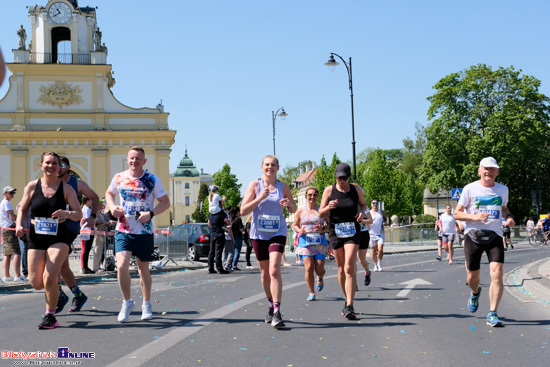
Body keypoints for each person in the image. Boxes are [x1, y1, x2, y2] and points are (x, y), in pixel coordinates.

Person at [16, 152, 82, 329]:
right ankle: (57, 292)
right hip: (36, 238)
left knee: (49, 276)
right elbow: (22, 210)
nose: (51, 166)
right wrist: (18, 225)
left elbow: (79, 214)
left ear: (60, 167)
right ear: (41, 165)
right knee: (36, 283)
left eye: (55, 163)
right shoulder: (32, 186)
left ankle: (50, 316)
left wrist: (67, 213)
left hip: (59, 237)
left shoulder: (66, 188)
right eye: (47, 162)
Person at [105, 146, 170, 322]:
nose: (134, 161)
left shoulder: (151, 179)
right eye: (132, 158)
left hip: (144, 231)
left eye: (138, 159)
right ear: (127, 159)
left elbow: (165, 202)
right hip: (123, 229)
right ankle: (127, 303)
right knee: (122, 265)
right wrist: (112, 208)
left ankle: (146, 304)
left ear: (144, 161)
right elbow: (109, 194)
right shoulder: (119, 177)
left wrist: (151, 213)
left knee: (143, 270)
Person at [454, 157, 515, 327]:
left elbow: (504, 209)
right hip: (473, 236)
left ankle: (493, 313)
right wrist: (475, 217)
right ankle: (475, 292)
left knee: (497, 273)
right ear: (479, 171)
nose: (488, 171)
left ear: (497, 172)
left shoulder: (503, 190)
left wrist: (509, 218)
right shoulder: (470, 189)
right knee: (473, 277)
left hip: (495, 235)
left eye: (492, 169)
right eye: (485, 169)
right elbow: (457, 214)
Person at [241, 155, 297, 329]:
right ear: (261, 167)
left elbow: (295, 209)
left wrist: (289, 203)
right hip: (259, 234)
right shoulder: (255, 185)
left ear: (278, 168)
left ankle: (277, 312)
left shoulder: (283, 186)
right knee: (264, 274)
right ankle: (271, 304)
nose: (270, 168)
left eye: (273, 165)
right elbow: (243, 211)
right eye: (267, 165)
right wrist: (259, 198)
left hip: (277, 232)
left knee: (274, 270)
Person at [319, 163, 367, 320]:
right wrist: (328, 207)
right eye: (339, 178)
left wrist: (361, 212)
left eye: (344, 178)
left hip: (352, 230)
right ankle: (346, 298)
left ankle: (350, 305)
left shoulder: (355, 190)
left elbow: (363, 204)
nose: (341, 181)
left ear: (348, 177)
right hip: (335, 231)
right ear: (336, 177)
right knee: (341, 270)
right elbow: (320, 212)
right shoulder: (329, 190)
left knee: (348, 267)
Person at [55, 156, 98, 314]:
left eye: (62, 165)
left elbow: (94, 197)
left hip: (69, 229)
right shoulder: (49, 183)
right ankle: (77, 295)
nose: (59, 168)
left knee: (55, 262)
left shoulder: (76, 183)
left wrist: (93, 216)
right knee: (63, 266)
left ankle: (60, 294)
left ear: (68, 167)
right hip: (52, 229)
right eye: (57, 165)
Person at [291, 186, 330, 301]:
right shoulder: (301, 210)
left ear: (318, 197)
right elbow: (294, 225)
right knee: (308, 267)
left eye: (314, 195)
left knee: (319, 269)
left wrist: (323, 227)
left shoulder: (321, 210)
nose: (312, 197)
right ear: (306, 197)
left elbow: (329, 225)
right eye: (309, 195)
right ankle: (311, 292)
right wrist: (299, 230)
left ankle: (320, 276)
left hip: (320, 242)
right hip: (305, 242)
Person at [351, 183, 373, 286]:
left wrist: (362, 220)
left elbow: (370, 221)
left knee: (361, 259)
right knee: (352, 259)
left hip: (363, 234)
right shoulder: (349, 205)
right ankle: (354, 283)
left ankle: (367, 271)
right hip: (352, 234)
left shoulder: (364, 207)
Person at [1, 186, 23, 282]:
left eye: (13, 192)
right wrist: (21, 217)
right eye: (10, 193)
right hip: (9, 229)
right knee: (17, 252)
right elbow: (12, 217)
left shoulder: (3, 203)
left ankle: (7, 275)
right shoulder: (7, 203)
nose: (12, 195)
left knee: (7, 253)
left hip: (5, 229)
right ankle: (17, 276)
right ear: (5, 193)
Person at [92, 199, 111, 272]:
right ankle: (95, 267)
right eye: (101, 203)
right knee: (97, 250)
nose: (102, 204)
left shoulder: (100, 213)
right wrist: (106, 223)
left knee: (100, 251)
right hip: (98, 234)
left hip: (102, 234)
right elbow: (96, 224)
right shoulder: (96, 213)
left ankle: (98, 265)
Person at [79, 197, 95, 274]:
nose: (92, 201)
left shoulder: (84, 208)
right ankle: (85, 267)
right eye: (91, 200)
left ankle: (85, 266)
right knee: (86, 249)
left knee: (85, 249)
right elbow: (88, 220)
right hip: (88, 230)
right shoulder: (87, 209)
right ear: (87, 201)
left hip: (86, 230)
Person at [16, 202, 31, 280]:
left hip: (29, 230)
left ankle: (28, 271)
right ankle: (26, 272)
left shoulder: (30, 203)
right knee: (25, 252)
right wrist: (26, 232)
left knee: (28, 252)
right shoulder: (23, 204)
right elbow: (22, 219)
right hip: (25, 231)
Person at [369, 200, 385, 271]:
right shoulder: (368, 213)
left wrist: (384, 223)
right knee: (373, 250)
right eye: (373, 203)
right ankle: (375, 264)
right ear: (371, 205)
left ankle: (379, 263)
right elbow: (366, 222)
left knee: (380, 249)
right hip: (372, 233)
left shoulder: (381, 212)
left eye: (376, 203)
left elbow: (384, 220)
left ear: (378, 204)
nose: (375, 204)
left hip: (380, 233)